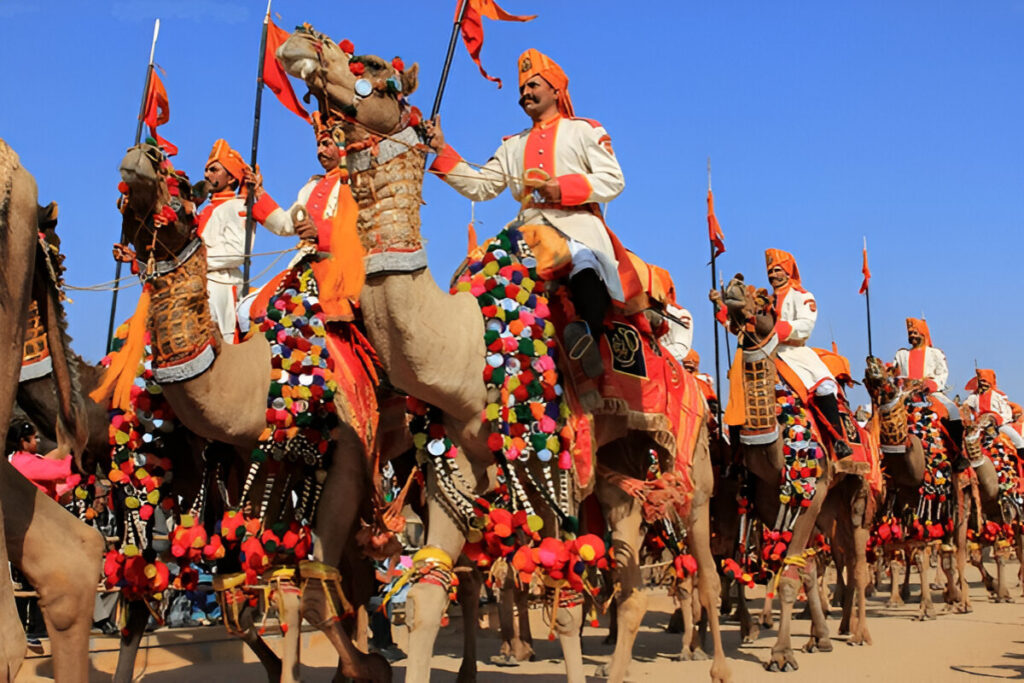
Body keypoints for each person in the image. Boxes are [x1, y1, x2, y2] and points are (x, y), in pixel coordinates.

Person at [424, 49, 628, 378]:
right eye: (521, 89)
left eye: (532, 85)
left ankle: (588, 336)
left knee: (583, 260)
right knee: (478, 273)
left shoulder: (584, 131)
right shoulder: (512, 145)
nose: (525, 94)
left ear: (556, 90)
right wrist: (442, 150)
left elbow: (613, 180)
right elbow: (482, 187)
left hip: (576, 223)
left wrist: (563, 188)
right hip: (527, 230)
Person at [744, 249, 851, 456]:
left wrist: (776, 329)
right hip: (767, 353)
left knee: (824, 387)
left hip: (794, 352)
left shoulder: (802, 296)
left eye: (777, 270)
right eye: (769, 271)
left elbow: (805, 325)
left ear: (787, 271)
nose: (772, 275)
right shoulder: (763, 300)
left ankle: (838, 440)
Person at [198, 139, 295, 341]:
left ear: (232, 179)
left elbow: (237, 251)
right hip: (199, 280)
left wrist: (197, 260)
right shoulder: (203, 211)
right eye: (207, 170)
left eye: (214, 170)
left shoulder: (237, 206)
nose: (207, 175)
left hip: (221, 285)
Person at [892, 317, 965, 468]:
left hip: (930, 392)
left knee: (953, 411)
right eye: (910, 333)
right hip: (906, 393)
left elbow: (942, 373)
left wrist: (930, 384)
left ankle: (958, 454)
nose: (912, 335)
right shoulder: (901, 355)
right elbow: (894, 373)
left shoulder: (935, 353)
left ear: (923, 334)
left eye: (915, 332)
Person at [963, 369, 1024, 459]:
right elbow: (966, 406)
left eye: (984, 381)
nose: (982, 384)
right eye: (980, 381)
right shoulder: (974, 397)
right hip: (979, 424)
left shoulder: (997, 397)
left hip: (997, 423)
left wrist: (998, 420)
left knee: (1012, 434)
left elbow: (1006, 413)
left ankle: (1021, 450)